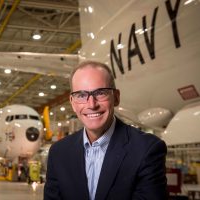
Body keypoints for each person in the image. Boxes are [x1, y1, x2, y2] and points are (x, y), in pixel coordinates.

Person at [44, 61, 168, 200]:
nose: (92, 104)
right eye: (81, 95)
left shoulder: (146, 149)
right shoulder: (59, 153)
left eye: (100, 93)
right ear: (72, 102)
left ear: (116, 98)